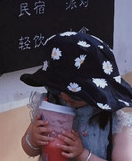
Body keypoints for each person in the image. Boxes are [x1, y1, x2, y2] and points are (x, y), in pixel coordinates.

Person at [20, 30, 132, 161]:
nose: (64, 96)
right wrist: (33, 139)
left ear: (96, 90)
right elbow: (29, 149)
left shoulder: (115, 121)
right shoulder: (50, 104)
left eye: (75, 94)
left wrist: (82, 154)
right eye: (57, 89)